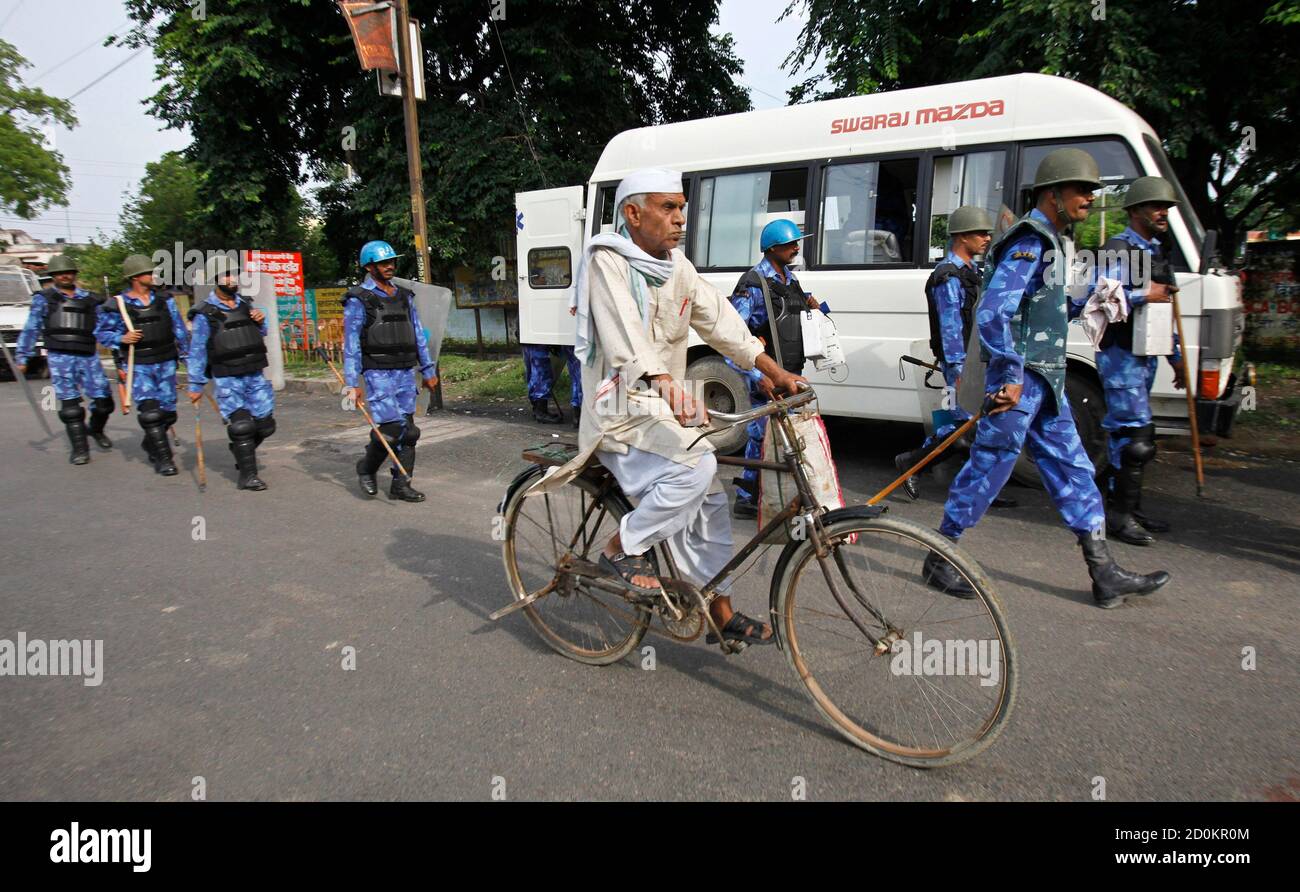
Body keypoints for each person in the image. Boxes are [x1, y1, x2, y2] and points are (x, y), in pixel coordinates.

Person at [533, 167, 806, 648]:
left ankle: (719, 611)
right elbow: (624, 338)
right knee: (695, 468)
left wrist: (771, 370)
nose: (681, 218)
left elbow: (723, 323)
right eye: (668, 208)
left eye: (682, 207)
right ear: (632, 214)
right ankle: (622, 547)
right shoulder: (606, 260)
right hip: (618, 407)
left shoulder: (677, 267)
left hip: (660, 408)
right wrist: (663, 380)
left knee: (712, 500)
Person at [924, 148, 1170, 609]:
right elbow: (994, 311)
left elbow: (1048, 306)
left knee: (1075, 470)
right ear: (1052, 193)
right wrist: (1010, 374)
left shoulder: (1056, 242)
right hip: (1021, 382)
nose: (1090, 198)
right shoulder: (1031, 239)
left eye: (1093, 191)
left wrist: (1093, 301)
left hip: (1047, 383)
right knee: (990, 465)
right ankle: (940, 555)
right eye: (1081, 189)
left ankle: (1105, 573)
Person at [892, 207, 1014, 508]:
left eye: (988, 233)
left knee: (978, 426)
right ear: (961, 237)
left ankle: (979, 488)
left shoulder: (971, 272)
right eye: (980, 233)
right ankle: (911, 462)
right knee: (960, 431)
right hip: (962, 365)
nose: (987, 238)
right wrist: (959, 369)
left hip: (978, 361)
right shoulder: (948, 277)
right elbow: (951, 327)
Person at [1088, 176, 1186, 545]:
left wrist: (1175, 357)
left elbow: (1167, 307)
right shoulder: (1117, 249)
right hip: (1120, 355)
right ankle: (1119, 516)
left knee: (1127, 437)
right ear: (1134, 211)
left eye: (1167, 208)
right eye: (1155, 207)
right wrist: (1147, 293)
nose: (1163, 213)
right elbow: (1100, 298)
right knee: (1137, 437)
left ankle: (1127, 508)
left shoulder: (1157, 251)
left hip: (1145, 355)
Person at [726, 218, 819, 518]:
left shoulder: (790, 280)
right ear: (773, 247)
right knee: (764, 435)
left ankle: (761, 494)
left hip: (789, 372)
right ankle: (750, 497)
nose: (796, 247)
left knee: (783, 436)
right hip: (766, 374)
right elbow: (732, 340)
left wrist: (817, 309)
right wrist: (759, 375)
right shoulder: (752, 284)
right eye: (791, 243)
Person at [341, 240, 439, 503]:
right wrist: (351, 384)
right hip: (378, 373)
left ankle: (401, 484)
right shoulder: (358, 300)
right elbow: (350, 345)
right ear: (369, 266)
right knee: (392, 429)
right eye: (384, 263)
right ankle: (367, 468)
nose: (390, 266)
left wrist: (428, 369)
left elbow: (418, 335)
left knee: (409, 431)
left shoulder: (405, 296)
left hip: (405, 372)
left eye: (392, 261)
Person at [13, 254, 115, 464]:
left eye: (68, 272)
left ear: (75, 274)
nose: (65, 276)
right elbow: (31, 328)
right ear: (53, 276)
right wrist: (22, 357)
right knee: (71, 408)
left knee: (105, 403)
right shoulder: (44, 299)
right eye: (60, 273)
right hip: (60, 357)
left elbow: (106, 327)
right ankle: (80, 449)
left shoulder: (92, 300)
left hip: (88, 356)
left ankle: (96, 430)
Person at [187, 255, 275, 491]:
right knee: (242, 426)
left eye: (234, 274)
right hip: (227, 377)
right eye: (227, 275)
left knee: (266, 425)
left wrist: (261, 318)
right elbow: (196, 350)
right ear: (216, 279)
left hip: (254, 374)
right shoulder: (204, 313)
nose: (232, 278)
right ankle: (248, 476)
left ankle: (240, 448)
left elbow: (260, 332)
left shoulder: (246, 304)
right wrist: (195, 384)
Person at [97, 254, 190, 476]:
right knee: (150, 413)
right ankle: (164, 459)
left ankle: (150, 442)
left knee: (168, 413)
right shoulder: (117, 304)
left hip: (166, 361)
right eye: (149, 272)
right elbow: (101, 333)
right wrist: (121, 338)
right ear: (136, 277)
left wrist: (188, 358)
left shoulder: (165, 300)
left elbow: (179, 330)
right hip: (138, 364)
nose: (153, 275)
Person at [522, 343, 582, 426]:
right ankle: (578, 412)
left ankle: (539, 408)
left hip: (531, 334)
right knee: (578, 368)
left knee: (536, 365)